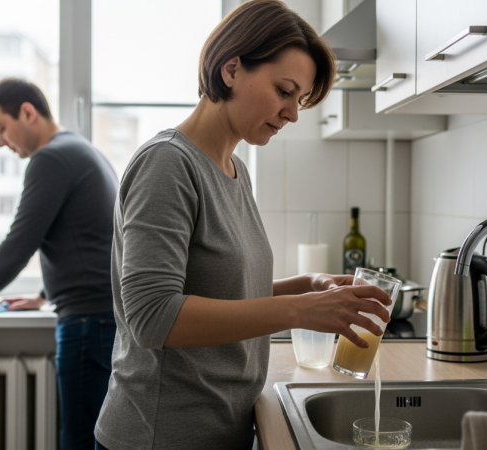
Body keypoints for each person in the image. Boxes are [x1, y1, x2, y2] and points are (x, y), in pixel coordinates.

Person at [93, 2, 392, 449]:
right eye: (284, 90)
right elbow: (152, 316)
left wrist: (305, 286)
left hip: (221, 427)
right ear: (231, 69)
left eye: (299, 100)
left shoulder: (234, 170)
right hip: (161, 436)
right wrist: (299, 311)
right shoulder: (167, 164)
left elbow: (220, 290)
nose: (292, 113)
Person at [0, 78, 119, 450]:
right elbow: (90, 239)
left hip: (88, 321)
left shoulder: (51, 158)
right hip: (98, 317)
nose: (1, 142)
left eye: (1, 128)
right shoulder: (78, 148)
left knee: (79, 440)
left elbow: (20, 241)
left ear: (28, 113)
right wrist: (45, 294)